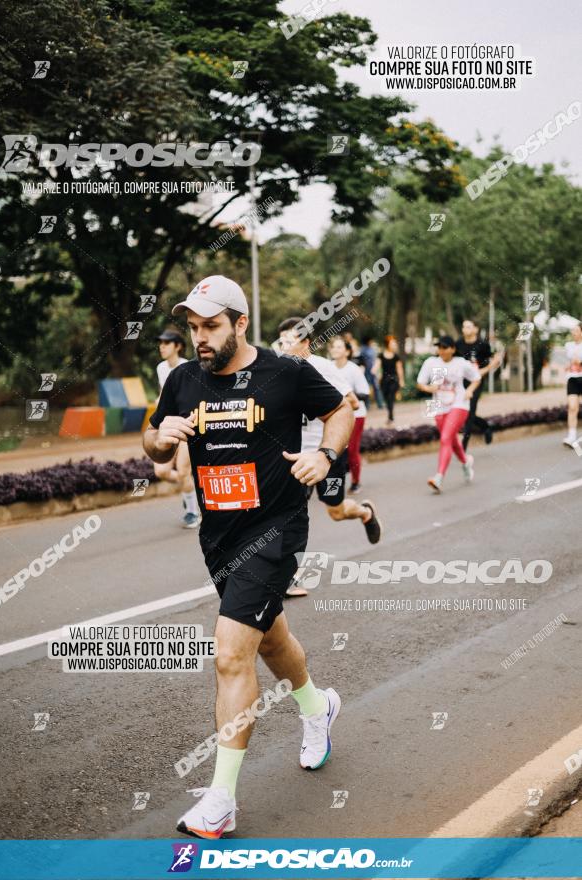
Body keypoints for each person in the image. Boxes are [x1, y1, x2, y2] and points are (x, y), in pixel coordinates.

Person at [144, 276, 354, 838]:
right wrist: (161, 437)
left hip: (276, 529)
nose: (200, 338)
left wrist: (326, 456)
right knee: (272, 637)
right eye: (193, 327)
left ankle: (221, 801)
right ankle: (318, 710)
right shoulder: (185, 380)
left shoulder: (284, 374)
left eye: (211, 326)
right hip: (218, 535)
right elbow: (152, 441)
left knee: (232, 656)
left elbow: (340, 412)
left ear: (240, 323)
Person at [277, 317, 382, 548]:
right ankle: (289, 572)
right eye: (281, 342)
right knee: (288, 515)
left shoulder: (323, 368)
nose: (283, 347)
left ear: (306, 343)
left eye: (289, 341)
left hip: (327, 454)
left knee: (336, 511)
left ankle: (365, 513)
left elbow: (351, 403)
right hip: (296, 457)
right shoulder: (278, 370)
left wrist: (315, 404)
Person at [416, 335, 481, 494]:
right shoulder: (431, 363)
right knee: (451, 440)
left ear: (452, 349)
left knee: (445, 438)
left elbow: (476, 378)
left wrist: (470, 391)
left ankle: (438, 477)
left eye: (445, 347)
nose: (441, 350)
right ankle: (466, 462)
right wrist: (428, 388)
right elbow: (420, 383)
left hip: (459, 404)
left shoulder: (460, 363)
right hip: (438, 405)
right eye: (439, 347)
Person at [153, 329, 200, 528]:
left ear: (178, 346)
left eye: (167, 343)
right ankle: (192, 491)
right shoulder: (161, 368)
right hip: (169, 425)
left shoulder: (187, 368)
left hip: (187, 426)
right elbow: (165, 395)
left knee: (183, 471)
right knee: (161, 471)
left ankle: (192, 512)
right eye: (160, 343)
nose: (162, 346)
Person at [329, 335, 370, 493]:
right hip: (334, 414)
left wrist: (345, 397)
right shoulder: (328, 366)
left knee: (352, 449)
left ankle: (356, 481)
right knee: (334, 449)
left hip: (356, 414)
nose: (335, 349)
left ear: (347, 351)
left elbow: (365, 394)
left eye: (339, 347)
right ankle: (332, 482)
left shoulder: (353, 369)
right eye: (333, 346)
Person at [455, 319, 500, 449]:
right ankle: (486, 427)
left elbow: (493, 360)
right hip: (460, 381)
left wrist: (483, 370)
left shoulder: (482, 345)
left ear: (475, 329)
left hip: (476, 381)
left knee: (470, 410)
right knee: (462, 410)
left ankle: (463, 446)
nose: (466, 330)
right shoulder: (458, 344)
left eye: (469, 327)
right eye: (464, 327)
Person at [377, 335, 405, 425]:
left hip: (394, 379)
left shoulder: (396, 356)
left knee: (391, 397)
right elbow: (377, 366)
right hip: (384, 381)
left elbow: (399, 369)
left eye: (395, 343)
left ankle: (391, 417)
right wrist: (375, 371)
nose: (394, 345)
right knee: (386, 398)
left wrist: (401, 380)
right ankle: (390, 415)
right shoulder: (381, 355)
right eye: (392, 343)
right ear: (387, 344)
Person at [563, 321, 582, 448]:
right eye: (572, 331)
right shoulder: (568, 345)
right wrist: (568, 366)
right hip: (573, 379)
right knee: (572, 407)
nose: (573, 333)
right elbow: (569, 361)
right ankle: (572, 437)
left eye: (576, 330)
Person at [359, 335, 384, 408]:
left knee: (376, 387)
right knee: (366, 388)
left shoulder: (371, 349)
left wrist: (377, 370)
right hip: (366, 371)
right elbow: (362, 361)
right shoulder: (363, 349)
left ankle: (379, 404)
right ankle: (367, 405)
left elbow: (375, 360)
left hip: (373, 371)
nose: (372, 342)